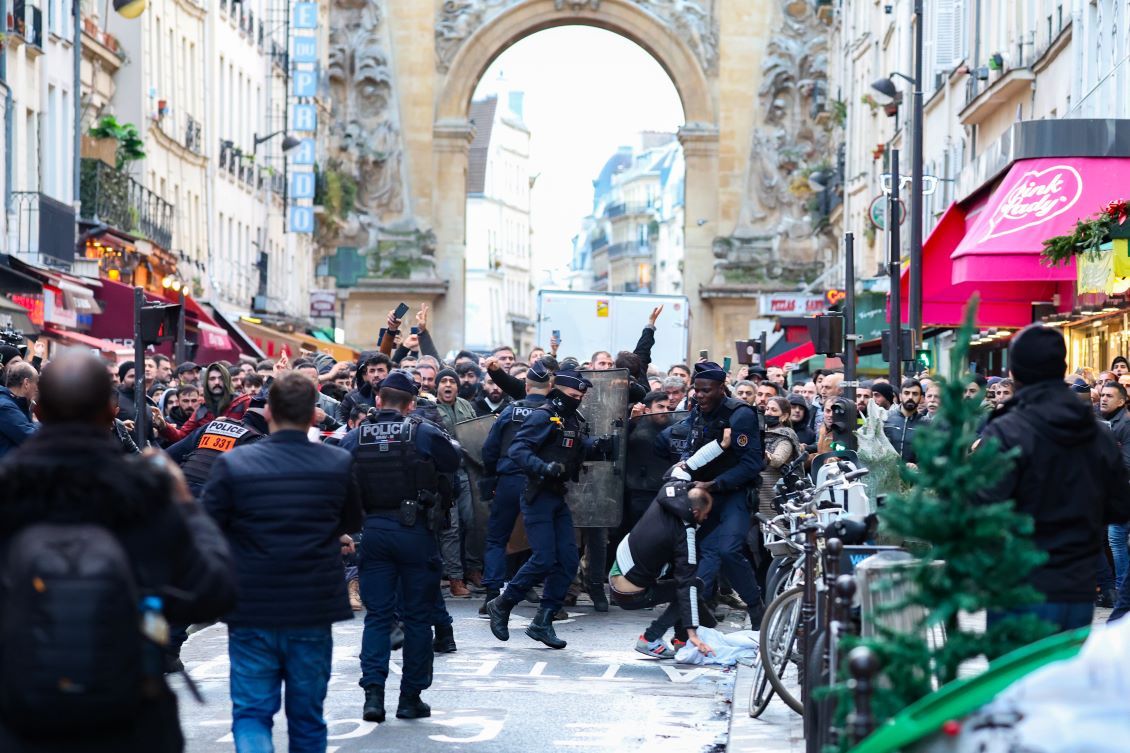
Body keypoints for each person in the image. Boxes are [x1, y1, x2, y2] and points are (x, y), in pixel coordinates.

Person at [0, 350, 236, 753]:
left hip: (24, 721)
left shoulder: (8, 491)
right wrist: (186, 508)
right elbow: (215, 590)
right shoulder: (142, 491)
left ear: (38, 409)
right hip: (129, 718)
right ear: (111, 414)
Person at [201, 372, 362, 752]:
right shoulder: (336, 464)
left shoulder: (235, 464)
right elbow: (352, 521)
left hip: (252, 603)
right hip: (311, 605)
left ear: (269, 411)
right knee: (307, 719)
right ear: (315, 415)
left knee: (252, 714)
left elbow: (208, 524)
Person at [978, 325, 1130, 631]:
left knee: (1019, 675)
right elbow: (1119, 505)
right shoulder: (1093, 430)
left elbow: (982, 511)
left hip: (1019, 583)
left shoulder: (1006, 429)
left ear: (1015, 372)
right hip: (1075, 584)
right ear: (1061, 369)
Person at [339, 371, 460, 723]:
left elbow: (337, 467)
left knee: (377, 617)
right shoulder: (421, 431)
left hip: (373, 531)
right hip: (415, 533)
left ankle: (373, 696)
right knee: (418, 618)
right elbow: (453, 461)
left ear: (378, 401)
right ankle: (410, 698)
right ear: (410, 404)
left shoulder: (355, 436)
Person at [486, 370, 607, 649]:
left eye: (580, 397)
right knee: (543, 558)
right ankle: (502, 603)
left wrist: (595, 447)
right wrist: (542, 467)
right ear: (558, 390)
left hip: (556, 497)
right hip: (537, 493)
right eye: (573, 396)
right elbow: (518, 449)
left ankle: (543, 621)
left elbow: (572, 448)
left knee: (567, 560)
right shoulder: (543, 415)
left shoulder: (573, 419)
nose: (576, 401)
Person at [679, 361, 765, 625]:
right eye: (697, 390)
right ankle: (696, 615)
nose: (700, 395)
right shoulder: (697, 412)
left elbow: (752, 464)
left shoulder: (741, 415)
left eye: (706, 390)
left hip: (733, 494)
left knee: (728, 551)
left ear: (721, 389)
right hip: (703, 495)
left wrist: (714, 484)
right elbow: (689, 446)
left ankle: (755, 607)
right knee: (703, 552)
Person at [478, 359, 556, 611]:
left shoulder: (510, 411)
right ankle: (547, 599)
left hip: (508, 480)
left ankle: (492, 593)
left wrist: (491, 477)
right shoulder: (554, 414)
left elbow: (489, 449)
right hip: (540, 482)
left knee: (497, 538)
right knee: (544, 540)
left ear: (526, 384)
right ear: (551, 385)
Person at [611, 480, 717, 659]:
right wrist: (693, 633)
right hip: (630, 594)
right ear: (696, 512)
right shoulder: (685, 534)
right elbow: (687, 585)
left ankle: (681, 641)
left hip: (618, 575)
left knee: (684, 587)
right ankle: (650, 638)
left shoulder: (667, 494)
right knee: (694, 586)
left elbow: (679, 470)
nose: (706, 519)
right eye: (706, 515)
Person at [434, 367, 479, 596]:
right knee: (451, 528)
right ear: (437, 386)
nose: (448, 385)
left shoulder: (465, 406)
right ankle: (455, 578)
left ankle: (473, 568)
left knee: (472, 522)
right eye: (444, 381)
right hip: (444, 475)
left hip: (467, 472)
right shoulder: (431, 409)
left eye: (452, 381)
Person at [161, 363, 253, 443]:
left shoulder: (243, 401)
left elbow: (255, 433)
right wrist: (163, 426)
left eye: (220, 378)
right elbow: (181, 436)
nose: (217, 382)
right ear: (207, 382)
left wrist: (229, 424)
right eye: (212, 379)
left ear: (226, 380)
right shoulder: (202, 409)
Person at [1099, 380, 1130, 599]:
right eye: (1102, 394)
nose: (1103, 398)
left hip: (1124, 491)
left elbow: (1127, 462)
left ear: (1122, 401)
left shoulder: (1125, 424)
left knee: (1117, 539)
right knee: (1115, 540)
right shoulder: (1103, 421)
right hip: (1113, 491)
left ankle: (1121, 589)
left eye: (1109, 396)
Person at [758, 397, 804, 517]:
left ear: (784, 416)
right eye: (767, 409)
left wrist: (764, 453)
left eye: (773, 410)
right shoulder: (759, 434)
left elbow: (777, 460)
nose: (768, 412)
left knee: (778, 530)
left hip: (775, 494)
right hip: (757, 493)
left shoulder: (786, 436)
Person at [338, 353, 391, 424]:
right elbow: (342, 429)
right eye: (372, 371)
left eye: (380, 370)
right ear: (367, 374)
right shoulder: (352, 399)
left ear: (389, 373)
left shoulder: (399, 396)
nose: (376, 375)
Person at [0, 360, 37, 458]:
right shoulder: (5, 406)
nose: (37, 388)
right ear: (26, 383)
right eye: (36, 382)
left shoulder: (16, 403)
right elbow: (31, 438)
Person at [883, 378, 925, 463]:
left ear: (921, 398)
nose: (910, 397)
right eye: (906, 393)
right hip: (888, 473)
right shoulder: (886, 418)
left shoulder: (927, 424)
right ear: (900, 396)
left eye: (915, 394)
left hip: (914, 475)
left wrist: (918, 466)